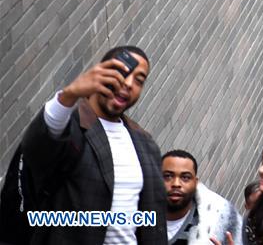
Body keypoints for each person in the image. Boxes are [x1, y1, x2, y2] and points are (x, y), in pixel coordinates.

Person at [18, 45, 167, 244]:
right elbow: (37, 147)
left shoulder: (145, 143)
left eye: (139, 80)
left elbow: (154, 222)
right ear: (101, 73)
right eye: (123, 73)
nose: (129, 83)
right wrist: (69, 95)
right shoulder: (71, 128)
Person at [162, 150, 243, 245]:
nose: (176, 184)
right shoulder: (143, 216)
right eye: (168, 176)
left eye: (185, 177)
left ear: (196, 182)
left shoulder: (223, 217)